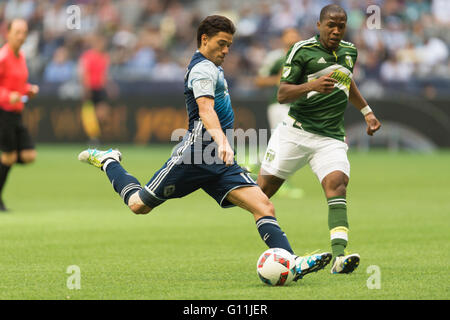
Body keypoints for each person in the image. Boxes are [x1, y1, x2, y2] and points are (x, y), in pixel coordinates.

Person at [78, 15, 331, 281]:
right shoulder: (202, 69)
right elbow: (205, 110)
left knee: (264, 206)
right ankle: (109, 161)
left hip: (220, 161)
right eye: (222, 44)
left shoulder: (213, 66)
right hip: (195, 156)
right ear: (204, 39)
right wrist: (222, 142)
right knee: (138, 204)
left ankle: (291, 262)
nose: (226, 50)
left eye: (229, 45)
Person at [257, 5, 381, 274]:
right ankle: (278, 250)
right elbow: (282, 94)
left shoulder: (350, 51)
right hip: (295, 133)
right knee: (259, 195)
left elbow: (348, 83)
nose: (336, 31)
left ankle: (339, 257)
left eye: (341, 26)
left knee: (337, 184)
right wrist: (312, 85)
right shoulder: (301, 50)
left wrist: (367, 112)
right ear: (319, 24)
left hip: (330, 137)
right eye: (331, 25)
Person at [253, 27, 303, 199]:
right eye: (289, 35)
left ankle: (254, 162)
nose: (293, 38)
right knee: (284, 143)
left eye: (295, 35)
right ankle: (281, 183)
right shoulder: (276, 57)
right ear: (283, 38)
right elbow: (259, 80)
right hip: (279, 105)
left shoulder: (303, 57)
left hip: (297, 106)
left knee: (287, 143)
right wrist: (277, 79)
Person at [0, 19, 39, 212]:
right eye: (17, 32)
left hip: (16, 113)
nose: (21, 36)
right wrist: (8, 95)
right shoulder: (3, 57)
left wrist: (27, 90)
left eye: (24, 32)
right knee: (8, 157)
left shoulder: (20, 56)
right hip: (3, 113)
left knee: (28, 155)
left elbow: (18, 85)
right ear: (8, 34)